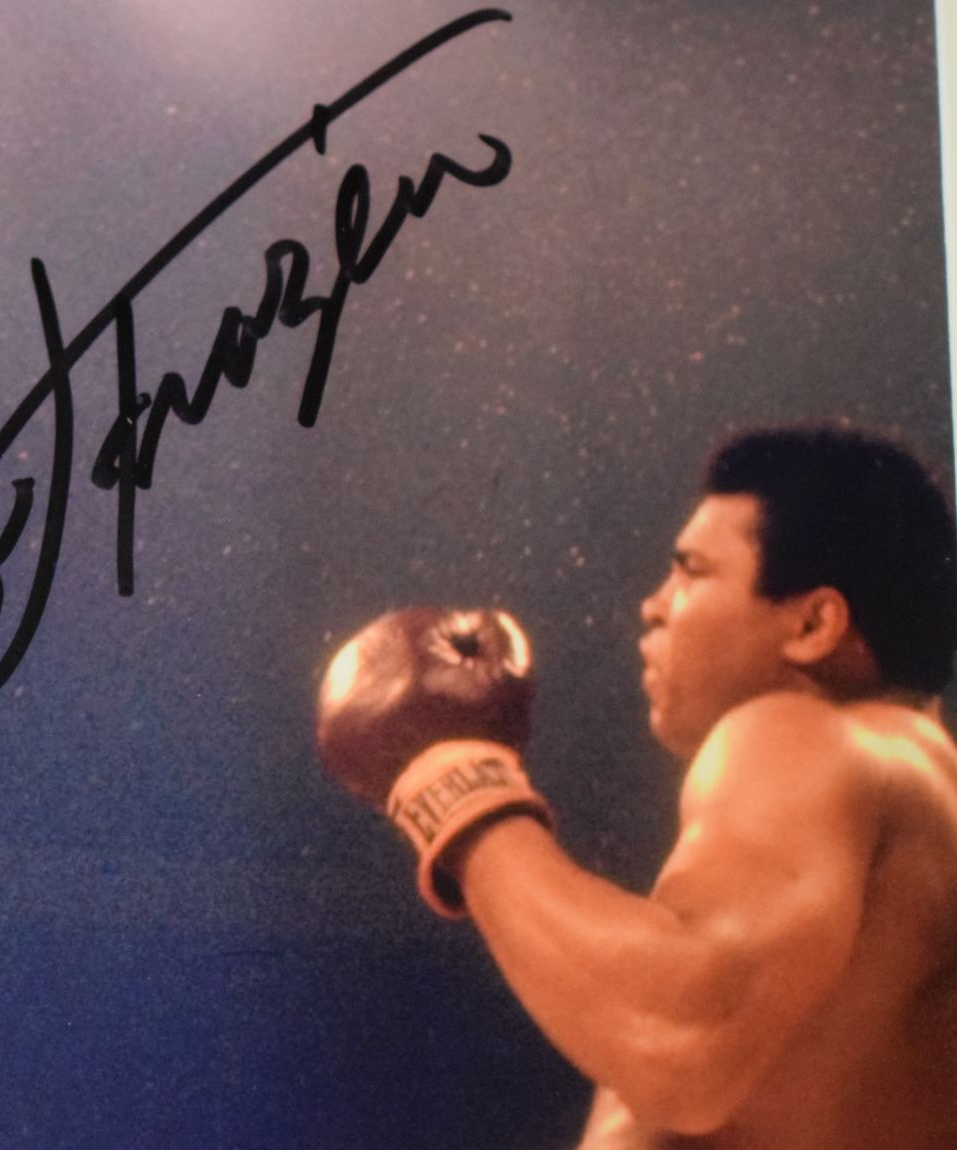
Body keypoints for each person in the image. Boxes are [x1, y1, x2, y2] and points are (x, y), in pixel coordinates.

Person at [313, 425, 957, 1149]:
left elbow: (681, 1038)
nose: (654, 604)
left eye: (692, 572)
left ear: (812, 623)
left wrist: (452, 782)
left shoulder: (810, 737)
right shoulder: (915, 791)